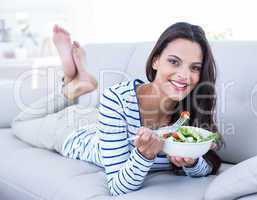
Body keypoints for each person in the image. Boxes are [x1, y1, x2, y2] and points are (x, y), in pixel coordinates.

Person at [11, 22, 223, 196]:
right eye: (174, 62)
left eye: (194, 67)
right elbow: (117, 186)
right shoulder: (117, 98)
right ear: (156, 60)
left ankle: (76, 80)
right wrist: (143, 155)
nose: (185, 76)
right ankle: (72, 85)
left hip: (104, 120)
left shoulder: (191, 107)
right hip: (74, 131)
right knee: (20, 122)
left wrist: (191, 162)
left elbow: (206, 166)